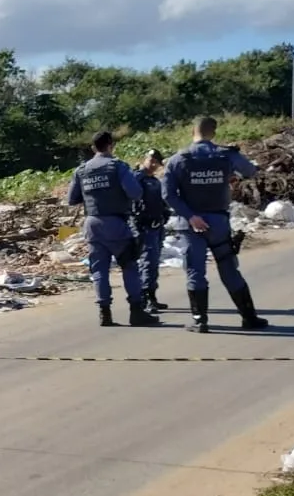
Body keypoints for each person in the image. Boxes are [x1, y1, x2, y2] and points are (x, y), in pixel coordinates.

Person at [162, 115, 269, 333]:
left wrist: (191, 216)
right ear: (214, 133)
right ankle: (250, 318)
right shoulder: (226, 155)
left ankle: (200, 321)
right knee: (229, 270)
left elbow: (168, 195)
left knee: (195, 272)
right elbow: (250, 171)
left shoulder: (177, 159)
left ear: (193, 131)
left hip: (191, 225)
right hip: (219, 223)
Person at [68, 131, 160, 327]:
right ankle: (136, 311)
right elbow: (135, 193)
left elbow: (72, 199)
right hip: (116, 224)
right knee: (129, 266)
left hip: (92, 225)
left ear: (93, 148)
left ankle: (105, 314)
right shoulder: (117, 166)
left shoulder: (81, 170)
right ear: (111, 145)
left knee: (99, 270)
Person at [133, 149, 171, 314]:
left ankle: (152, 296)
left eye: (157, 162)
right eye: (151, 160)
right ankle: (146, 298)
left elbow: (161, 202)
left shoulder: (155, 181)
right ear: (145, 159)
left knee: (153, 262)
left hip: (157, 226)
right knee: (147, 262)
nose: (154, 165)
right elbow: (132, 204)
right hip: (143, 227)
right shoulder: (135, 178)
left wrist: (165, 213)